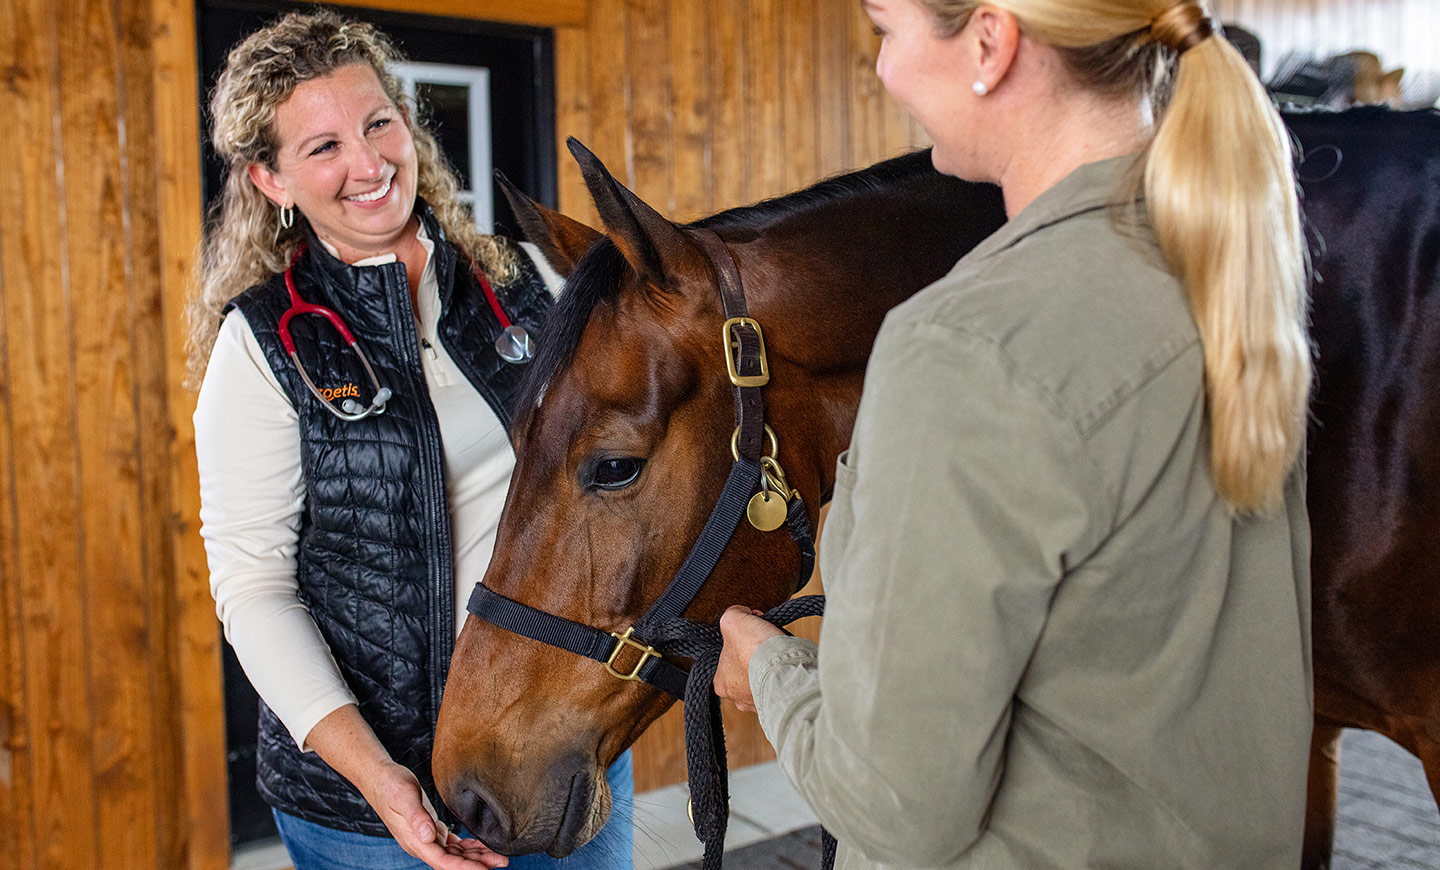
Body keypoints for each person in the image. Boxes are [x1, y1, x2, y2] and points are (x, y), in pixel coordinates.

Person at [713, 1, 1312, 868]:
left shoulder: (967, 347)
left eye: (887, 30)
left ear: (990, 41)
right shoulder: (1224, 275)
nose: (881, 70)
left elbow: (894, 809)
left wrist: (768, 667)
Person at [188, 10, 633, 870]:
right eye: (321, 148)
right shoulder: (264, 342)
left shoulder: (524, 280)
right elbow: (253, 589)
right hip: (366, 808)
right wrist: (380, 779)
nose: (368, 164)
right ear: (270, 180)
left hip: (558, 755)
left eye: (378, 123)